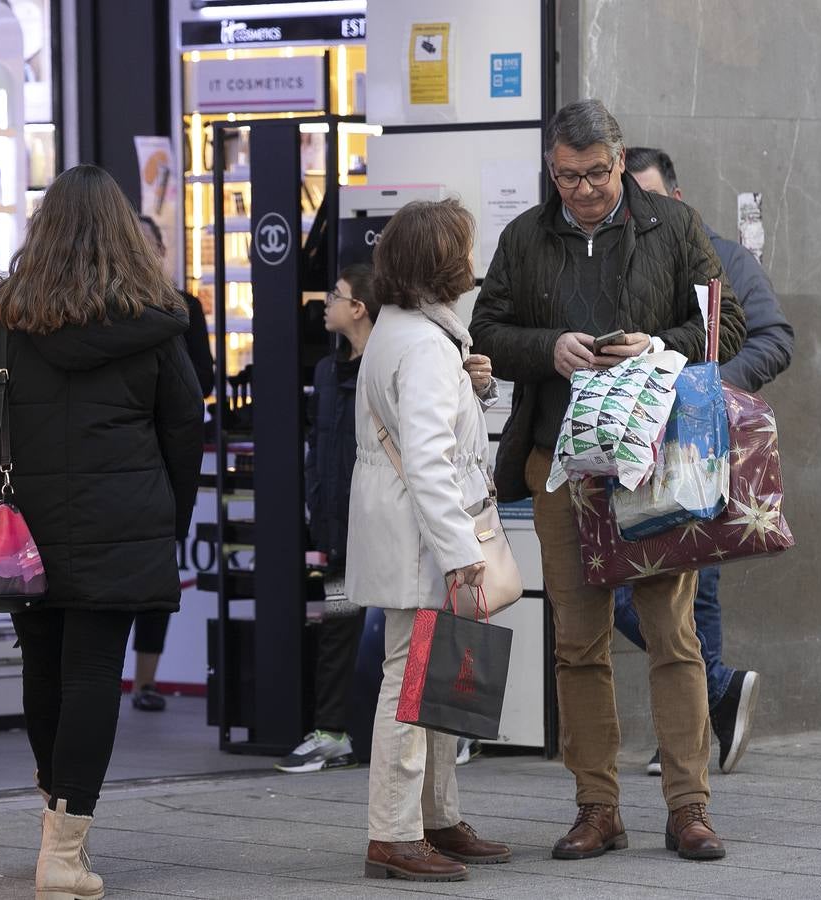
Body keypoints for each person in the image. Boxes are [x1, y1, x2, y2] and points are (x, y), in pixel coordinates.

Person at [470, 99, 746, 863]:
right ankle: (598, 808)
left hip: (656, 463)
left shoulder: (674, 226)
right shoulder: (526, 236)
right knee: (578, 643)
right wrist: (547, 347)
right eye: (567, 177)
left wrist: (656, 346)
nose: (583, 190)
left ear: (620, 162)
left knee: (672, 636)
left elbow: (726, 326)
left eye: (595, 174)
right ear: (551, 170)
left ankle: (688, 807)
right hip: (560, 465)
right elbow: (487, 330)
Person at [0, 164, 204, 899]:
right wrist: (169, 519)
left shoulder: (2, 316)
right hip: (122, 520)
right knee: (92, 676)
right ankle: (64, 846)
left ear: (42, 229)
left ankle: (54, 824)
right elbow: (185, 427)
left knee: (44, 669)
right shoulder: (155, 319)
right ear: (124, 234)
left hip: (20, 524)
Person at [617, 146, 795, 777]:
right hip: (630, 454)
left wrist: (706, 391)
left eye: (651, 195)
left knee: (700, 587)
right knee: (622, 593)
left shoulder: (724, 257)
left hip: (702, 447)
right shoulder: (617, 257)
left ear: (678, 196)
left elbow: (775, 339)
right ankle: (714, 695)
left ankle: (688, 731)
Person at [347, 199, 510, 882]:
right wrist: (463, 555)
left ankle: (433, 818)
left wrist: (476, 386)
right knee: (413, 684)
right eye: (463, 248)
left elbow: (439, 438)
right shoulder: (421, 343)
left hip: (413, 533)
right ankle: (394, 831)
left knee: (434, 679)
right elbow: (431, 461)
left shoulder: (416, 333)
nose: (471, 261)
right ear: (442, 262)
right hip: (424, 537)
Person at [276, 264, 380, 773]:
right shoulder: (325, 369)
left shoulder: (385, 368)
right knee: (338, 626)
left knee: (400, 631)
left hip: (384, 533)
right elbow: (319, 447)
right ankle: (331, 730)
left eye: (335, 296)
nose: (326, 304)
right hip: (340, 533)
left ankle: (441, 730)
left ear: (358, 308)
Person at [129, 215, 216, 712]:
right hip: (138, 457)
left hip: (166, 458)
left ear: (163, 250)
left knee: (158, 574)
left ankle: (146, 680)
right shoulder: (110, 308)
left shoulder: (184, 307)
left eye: (149, 245)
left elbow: (202, 378)